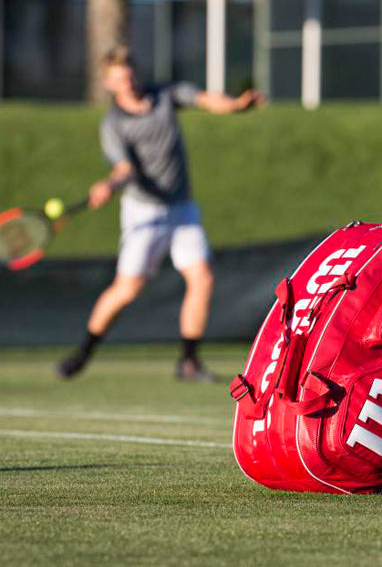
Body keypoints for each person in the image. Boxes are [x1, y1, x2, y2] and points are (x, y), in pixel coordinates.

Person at [57, 46, 264, 381]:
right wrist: (109, 184)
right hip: (143, 212)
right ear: (109, 84)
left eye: (131, 74)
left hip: (181, 208)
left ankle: (188, 361)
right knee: (127, 290)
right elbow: (124, 168)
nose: (128, 82)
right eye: (120, 79)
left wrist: (236, 106)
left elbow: (204, 98)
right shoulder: (114, 124)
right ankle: (83, 352)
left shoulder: (165, 94)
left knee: (202, 277)